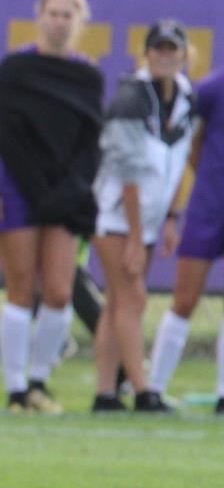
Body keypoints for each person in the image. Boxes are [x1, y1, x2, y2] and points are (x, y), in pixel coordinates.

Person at [0, 0, 104, 414]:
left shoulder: (87, 76)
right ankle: (15, 390)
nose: (58, 23)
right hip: (19, 188)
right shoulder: (14, 69)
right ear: (40, 16)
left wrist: (70, 191)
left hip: (64, 194)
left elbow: (89, 141)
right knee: (21, 288)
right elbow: (12, 139)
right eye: (52, 14)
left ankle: (39, 383)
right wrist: (40, 193)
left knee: (58, 291)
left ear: (79, 21)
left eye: (67, 15)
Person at [89, 21, 192, 413]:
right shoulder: (131, 99)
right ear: (146, 54)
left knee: (117, 301)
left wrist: (169, 217)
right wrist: (135, 235)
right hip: (117, 216)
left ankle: (104, 393)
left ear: (184, 55)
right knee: (133, 297)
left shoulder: (185, 99)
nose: (165, 55)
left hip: (148, 218)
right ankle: (143, 389)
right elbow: (129, 174)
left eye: (172, 49)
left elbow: (177, 162)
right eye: (158, 49)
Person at [150, 36, 224, 411]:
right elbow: (190, 145)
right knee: (185, 299)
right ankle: (153, 389)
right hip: (209, 207)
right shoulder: (212, 88)